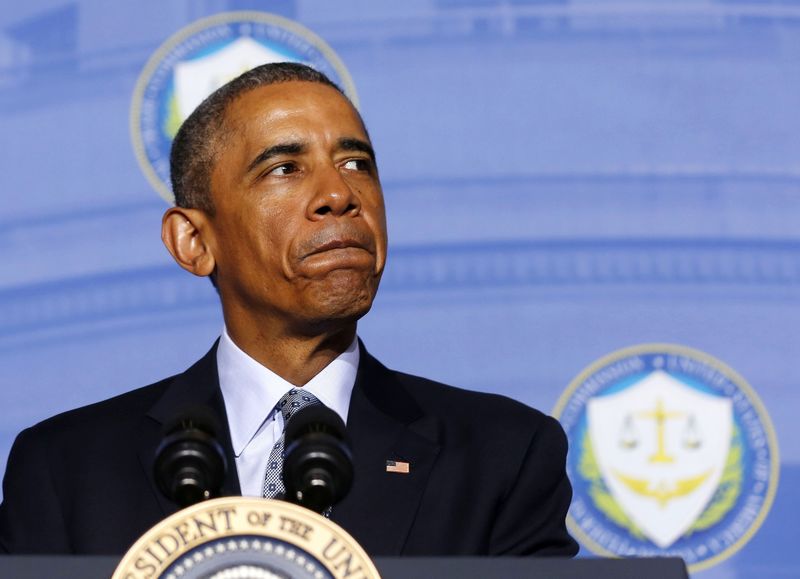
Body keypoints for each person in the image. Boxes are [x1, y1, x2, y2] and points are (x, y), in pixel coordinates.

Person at [0, 63, 578, 557]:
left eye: (357, 164)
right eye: (285, 168)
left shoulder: (503, 455)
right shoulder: (65, 468)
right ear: (193, 243)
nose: (339, 194)